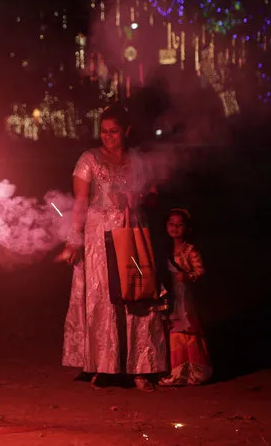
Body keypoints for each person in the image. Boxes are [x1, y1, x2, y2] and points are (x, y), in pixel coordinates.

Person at [58, 105, 168, 392]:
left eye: (114, 132)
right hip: (99, 236)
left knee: (136, 296)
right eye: (104, 131)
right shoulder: (89, 159)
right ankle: (103, 366)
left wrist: (141, 197)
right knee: (104, 299)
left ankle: (141, 367)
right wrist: (74, 241)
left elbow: (155, 196)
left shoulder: (138, 160)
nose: (108, 137)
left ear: (126, 131)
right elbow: (81, 202)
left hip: (132, 232)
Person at [159, 208, 212, 386]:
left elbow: (200, 271)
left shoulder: (191, 250)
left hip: (186, 299)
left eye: (180, 225)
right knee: (173, 332)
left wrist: (188, 276)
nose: (175, 228)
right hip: (171, 296)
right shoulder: (164, 250)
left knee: (188, 332)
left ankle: (196, 373)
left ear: (187, 229)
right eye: (171, 224)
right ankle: (177, 372)